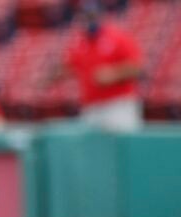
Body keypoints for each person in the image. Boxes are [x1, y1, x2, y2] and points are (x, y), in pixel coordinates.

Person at [47, 1, 143, 132]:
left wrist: (114, 74)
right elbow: (69, 67)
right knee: (93, 149)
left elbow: (136, 68)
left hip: (117, 105)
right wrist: (49, 77)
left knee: (122, 147)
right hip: (91, 107)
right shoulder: (79, 42)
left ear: (100, 15)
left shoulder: (117, 37)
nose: (88, 20)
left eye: (91, 16)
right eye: (85, 16)